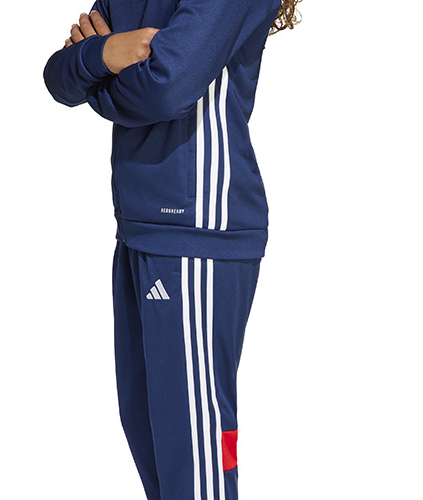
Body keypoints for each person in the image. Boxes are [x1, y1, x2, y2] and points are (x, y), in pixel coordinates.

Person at [43, 1, 301, 498]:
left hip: (197, 227)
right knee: (150, 438)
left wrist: (100, 67)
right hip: (137, 224)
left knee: (195, 454)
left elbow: (166, 88)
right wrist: (107, 55)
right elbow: (59, 77)